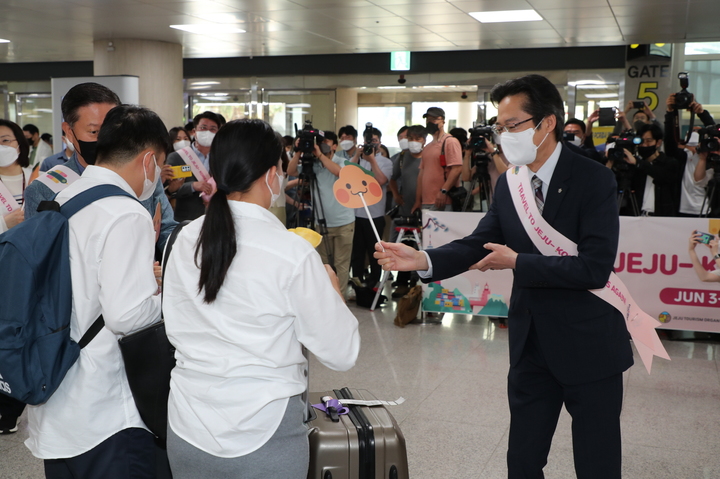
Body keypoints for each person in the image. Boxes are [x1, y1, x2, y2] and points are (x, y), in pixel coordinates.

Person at [375, 74, 633, 479]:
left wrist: (518, 263)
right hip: (532, 344)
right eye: (500, 126)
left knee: (596, 462)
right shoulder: (511, 184)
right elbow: (480, 243)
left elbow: (593, 268)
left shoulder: (593, 179)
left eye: (511, 126)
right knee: (523, 461)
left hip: (590, 343)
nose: (502, 135)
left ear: (546, 124)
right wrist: (422, 260)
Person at [163, 119, 359, 479]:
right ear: (272, 175)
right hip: (264, 434)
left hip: (187, 426)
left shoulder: (185, 238)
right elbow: (342, 353)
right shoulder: (292, 252)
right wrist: (334, 297)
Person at [25, 104, 169, 478]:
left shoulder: (64, 198)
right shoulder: (126, 211)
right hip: (105, 411)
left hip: (56, 393)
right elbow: (126, 316)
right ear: (149, 159)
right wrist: (168, 297)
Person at [23, 82, 177, 254]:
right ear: (68, 131)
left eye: (113, 131)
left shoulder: (144, 175)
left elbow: (167, 230)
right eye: (95, 132)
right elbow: (39, 256)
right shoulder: (44, 190)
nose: (106, 139)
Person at [288, 128, 355, 298]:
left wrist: (320, 155)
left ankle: (341, 301)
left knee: (341, 264)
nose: (321, 146)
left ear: (334, 146)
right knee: (324, 264)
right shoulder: (314, 165)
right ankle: (327, 299)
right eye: (320, 143)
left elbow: (339, 173)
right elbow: (291, 171)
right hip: (321, 221)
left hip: (344, 222)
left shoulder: (343, 161)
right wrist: (298, 152)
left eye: (325, 143)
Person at [348, 126, 393, 289]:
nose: (371, 144)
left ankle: (374, 283)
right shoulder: (359, 159)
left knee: (375, 252)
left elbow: (381, 180)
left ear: (379, 143)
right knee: (357, 253)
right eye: (368, 141)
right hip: (356, 213)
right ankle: (357, 283)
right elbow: (347, 173)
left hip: (374, 214)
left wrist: (372, 159)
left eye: (374, 141)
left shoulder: (385, 162)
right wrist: (358, 155)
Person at [388, 124, 425, 298]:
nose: (414, 143)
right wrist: (396, 195)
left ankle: (419, 285)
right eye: (411, 139)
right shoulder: (402, 158)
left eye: (418, 139)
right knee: (404, 246)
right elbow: (392, 179)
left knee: (423, 248)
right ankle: (402, 283)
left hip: (424, 210)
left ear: (424, 140)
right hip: (405, 209)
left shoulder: (428, 157)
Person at [165, 111, 222, 221]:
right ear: (194, 132)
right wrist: (192, 186)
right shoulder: (177, 157)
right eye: (203, 128)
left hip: (216, 218)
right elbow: (168, 190)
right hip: (186, 219)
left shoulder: (223, 157)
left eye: (213, 129)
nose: (208, 132)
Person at [620, 123, 681, 216]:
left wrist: (638, 163)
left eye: (649, 141)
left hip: (662, 217)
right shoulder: (635, 164)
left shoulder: (669, 162)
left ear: (658, 143)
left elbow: (661, 175)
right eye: (641, 141)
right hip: (638, 216)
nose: (644, 145)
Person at [414, 107, 463, 211]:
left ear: (443, 121)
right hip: (426, 201)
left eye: (434, 119)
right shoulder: (427, 147)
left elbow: (457, 169)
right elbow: (421, 174)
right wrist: (418, 200)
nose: (430, 122)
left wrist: (443, 191)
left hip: (443, 201)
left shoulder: (450, 142)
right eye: (428, 120)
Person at [0, 119, 32, 234]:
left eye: (5, 140)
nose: (1, 146)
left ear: (19, 143)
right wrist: (4, 223)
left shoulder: (37, 177)